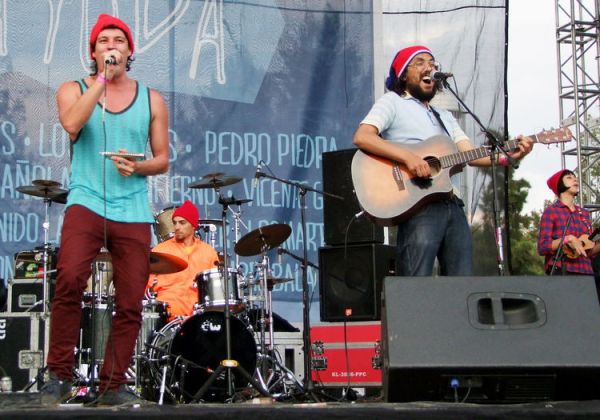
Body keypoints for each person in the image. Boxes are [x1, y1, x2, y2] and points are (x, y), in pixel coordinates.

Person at [42, 14, 169, 406]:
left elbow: (162, 158)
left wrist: (138, 166)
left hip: (132, 209)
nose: (111, 46)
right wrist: (101, 80)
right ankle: (59, 375)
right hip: (87, 201)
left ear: (130, 51)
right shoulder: (73, 89)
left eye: (119, 41)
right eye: (103, 42)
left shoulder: (151, 99)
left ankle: (112, 384)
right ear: (94, 52)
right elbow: (71, 123)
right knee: (69, 281)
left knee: (130, 300)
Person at [352, 45, 533, 276]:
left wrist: (509, 157)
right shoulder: (392, 102)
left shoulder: (444, 116)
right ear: (403, 74)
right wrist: (408, 157)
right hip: (417, 203)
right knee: (416, 280)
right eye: (420, 62)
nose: (429, 67)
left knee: (462, 281)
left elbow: (471, 155)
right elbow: (363, 137)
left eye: (432, 63)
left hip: (452, 203)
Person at [147, 200, 219, 320]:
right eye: (174, 223)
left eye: (182, 223)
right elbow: (146, 290)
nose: (177, 227)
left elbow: (214, 291)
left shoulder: (208, 252)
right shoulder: (159, 251)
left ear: (193, 225)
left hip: (199, 315)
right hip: (167, 315)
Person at [538, 169, 600, 275]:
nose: (575, 179)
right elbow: (542, 247)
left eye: (575, 177)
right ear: (559, 184)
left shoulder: (584, 213)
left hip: (586, 271)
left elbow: (589, 251)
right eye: (569, 177)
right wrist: (568, 239)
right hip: (562, 269)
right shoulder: (551, 211)